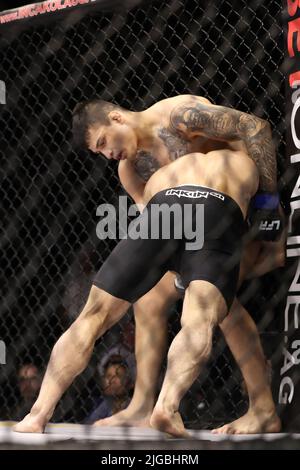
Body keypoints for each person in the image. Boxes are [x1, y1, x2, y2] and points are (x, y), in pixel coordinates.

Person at [14, 147, 282, 436]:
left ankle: (37, 414)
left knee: (92, 315)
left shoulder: (159, 162)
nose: (108, 151)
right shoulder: (240, 159)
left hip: (162, 206)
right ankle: (166, 407)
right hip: (217, 206)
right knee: (199, 320)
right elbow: (272, 241)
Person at [72, 95, 284, 433]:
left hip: (238, 219)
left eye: (103, 142)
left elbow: (253, 127)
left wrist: (268, 206)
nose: (107, 154)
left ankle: (262, 408)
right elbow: (155, 232)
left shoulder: (178, 116)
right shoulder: (130, 170)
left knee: (220, 304)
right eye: (99, 152)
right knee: (148, 297)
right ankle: (142, 405)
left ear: (117, 118)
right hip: (191, 240)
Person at [84, 355, 132, 424]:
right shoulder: (105, 403)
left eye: (118, 375)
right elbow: (89, 423)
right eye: (108, 376)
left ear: (129, 382)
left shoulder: (132, 404)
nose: (111, 380)